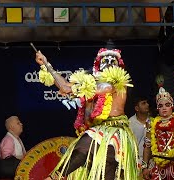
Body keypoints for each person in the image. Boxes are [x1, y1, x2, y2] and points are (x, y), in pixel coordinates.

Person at [36, 46, 139, 180]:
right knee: (84, 148)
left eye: (112, 61)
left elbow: (104, 88)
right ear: (98, 65)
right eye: (105, 61)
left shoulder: (118, 82)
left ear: (118, 66)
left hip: (115, 132)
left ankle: (55, 177)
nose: (108, 64)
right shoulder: (91, 83)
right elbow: (65, 87)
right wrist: (46, 64)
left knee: (90, 141)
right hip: (99, 133)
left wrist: (77, 89)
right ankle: (55, 176)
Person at [142, 85, 174, 180]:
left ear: (172, 106)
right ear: (157, 109)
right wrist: (145, 167)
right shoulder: (152, 124)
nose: (164, 108)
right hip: (158, 167)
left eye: (167, 105)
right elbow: (147, 146)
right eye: (160, 106)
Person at [128, 96, 151, 170]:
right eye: (143, 103)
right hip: (136, 163)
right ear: (137, 108)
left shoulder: (153, 121)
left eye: (147, 102)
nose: (147, 105)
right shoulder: (130, 123)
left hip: (151, 163)